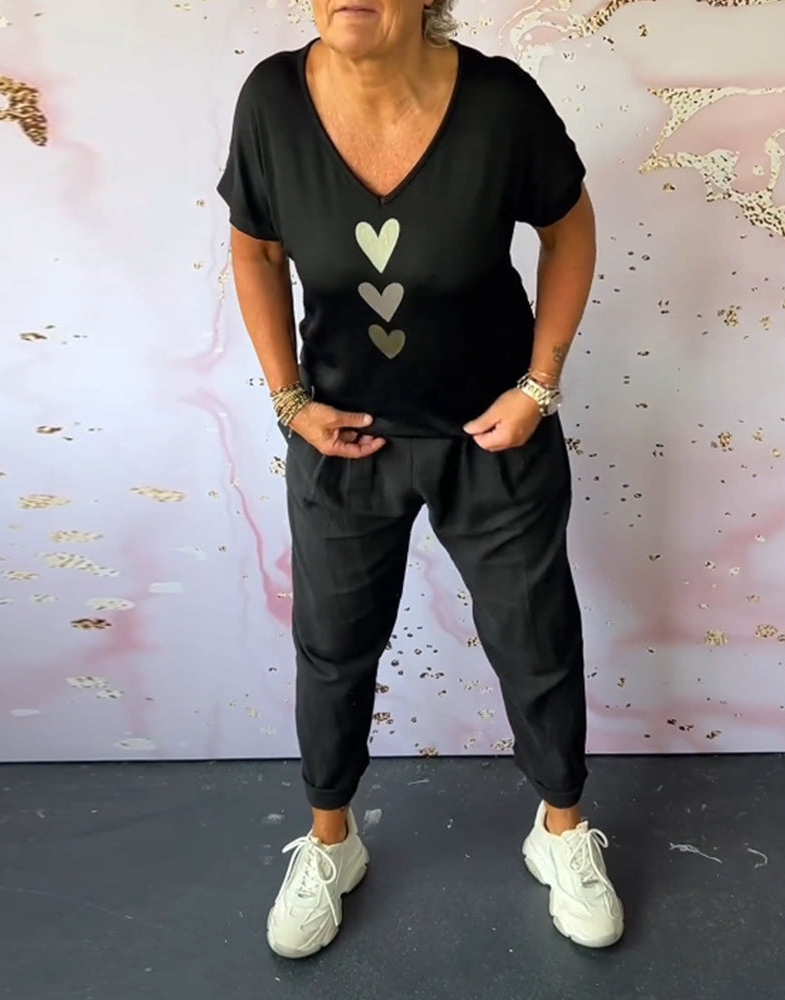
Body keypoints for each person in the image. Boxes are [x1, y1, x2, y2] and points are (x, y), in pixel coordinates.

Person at [218, 0, 624, 958]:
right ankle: (331, 843)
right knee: (333, 646)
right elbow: (256, 249)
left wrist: (539, 386)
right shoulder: (272, 100)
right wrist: (289, 399)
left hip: (493, 436)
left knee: (535, 638)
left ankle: (561, 830)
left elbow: (568, 228)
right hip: (343, 440)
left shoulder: (500, 101)